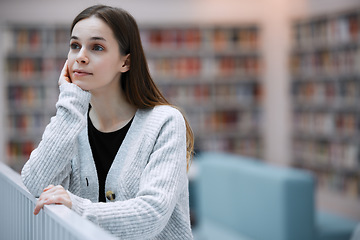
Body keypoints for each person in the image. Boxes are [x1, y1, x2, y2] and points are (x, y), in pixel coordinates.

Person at [21, 4, 194, 239]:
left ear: (126, 62)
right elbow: (35, 186)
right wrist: (71, 102)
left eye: (97, 47)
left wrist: (77, 206)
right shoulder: (70, 123)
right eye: (75, 46)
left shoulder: (166, 122)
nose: (80, 56)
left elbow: (151, 215)